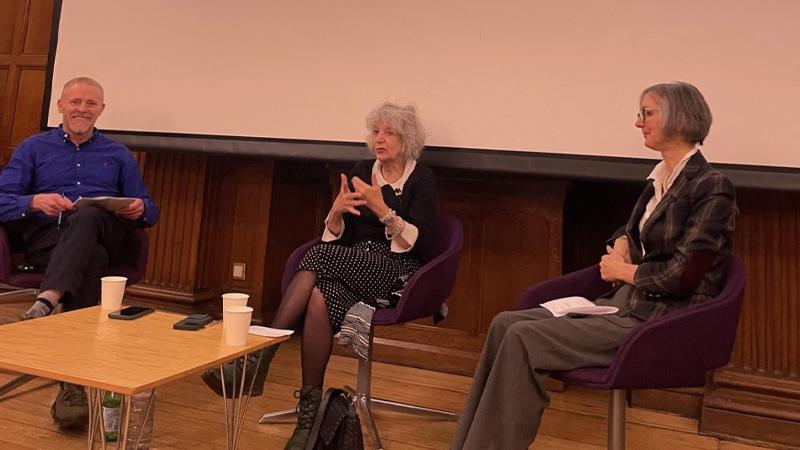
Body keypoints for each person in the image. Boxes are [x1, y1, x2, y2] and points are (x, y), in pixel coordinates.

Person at [451, 81, 737, 449]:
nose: (639, 123)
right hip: (625, 305)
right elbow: (632, 230)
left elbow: (684, 275)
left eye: (647, 113)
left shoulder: (713, 187)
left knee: (523, 337)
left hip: (660, 321)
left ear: (679, 119)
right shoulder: (658, 180)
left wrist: (623, 271)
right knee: (504, 322)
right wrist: (620, 244)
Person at [202, 101, 436, 449]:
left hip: (396, 270)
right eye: (376, 132)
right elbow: (333, 237)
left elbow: (418, 243)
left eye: (389, 132)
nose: (380, 139)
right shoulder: (361, 169)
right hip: (350, 261)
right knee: (316, 297)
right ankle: (308, 419)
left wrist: (382, 209)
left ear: (407, 138)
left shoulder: (421, 178)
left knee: (322, 257)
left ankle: (260, 356)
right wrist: (337, 211)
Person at [0, 77, 159, 429]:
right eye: (75, 102)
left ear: (101, 110)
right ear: (60, 105)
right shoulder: (32, 148)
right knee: (94, 260)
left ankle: (48, 300)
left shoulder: (118, 154)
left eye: (90, 104)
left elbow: (150, 209)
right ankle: (73, 384)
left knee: (88, 214)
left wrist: (137, 208)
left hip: (107, 228)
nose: (82, 109)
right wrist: (33, 201)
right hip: (48, 241)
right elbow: (2, 200)